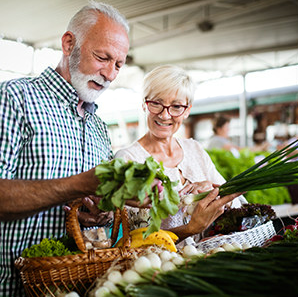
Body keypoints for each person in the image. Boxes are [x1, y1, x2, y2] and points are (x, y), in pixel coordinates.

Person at [0, 2, 132, 296]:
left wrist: (101, 213)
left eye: (119, 64)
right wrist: (78, 185)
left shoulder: (99, 127)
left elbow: (97, 210)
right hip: (14, 288)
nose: (110, 74)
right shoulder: (16, 98)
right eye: (102, 57)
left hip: (82, 287)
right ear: (69, 43)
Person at [115, 65, 247, 245]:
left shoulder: (195, 150)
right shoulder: (128, 159)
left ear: (187, 111)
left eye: (176, 106)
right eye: (156, 103)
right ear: (144, 104)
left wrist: (213, 192)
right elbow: (133, 239)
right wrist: (190, 229)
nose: (165, 115)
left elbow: (238, 202)